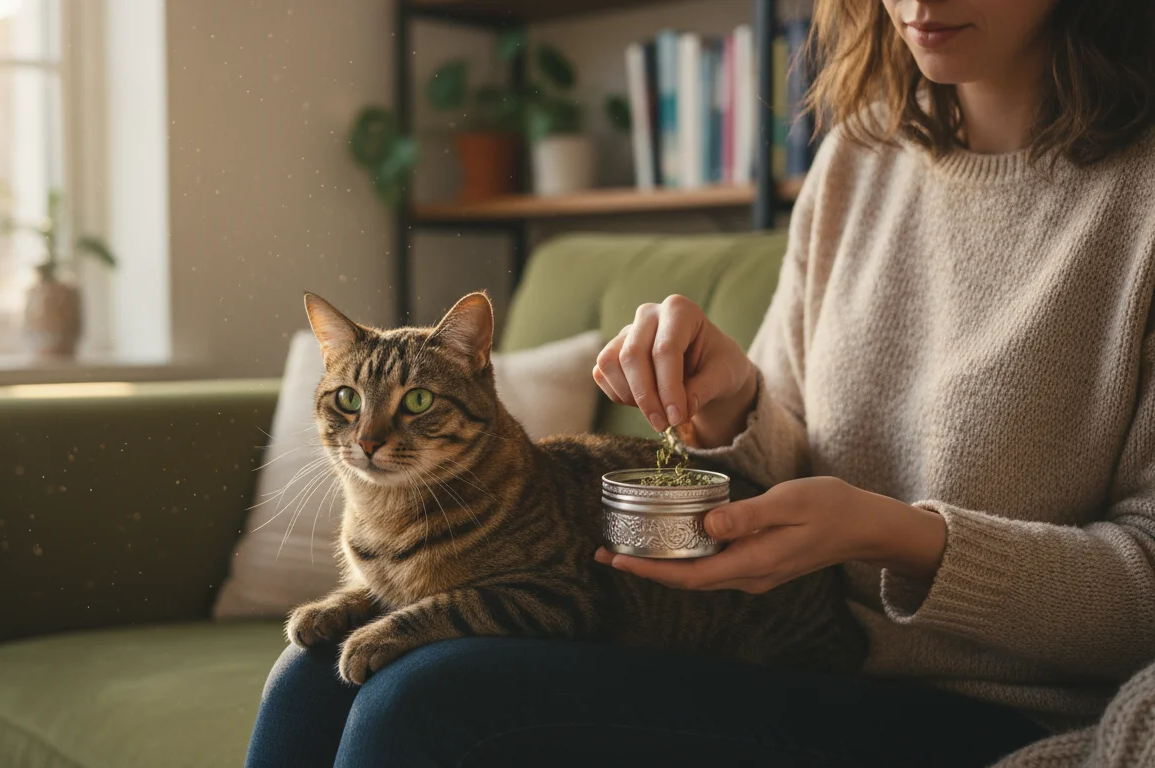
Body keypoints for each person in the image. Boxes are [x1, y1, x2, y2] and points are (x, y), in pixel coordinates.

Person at [246, 0, 1155, 764]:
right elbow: (790, 448)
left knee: (426, 702)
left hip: (995, 707)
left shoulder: (1137, 198)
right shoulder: (858, 161)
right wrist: (733, 403)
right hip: (778, 639)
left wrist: (897, 537)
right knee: (307, 679)